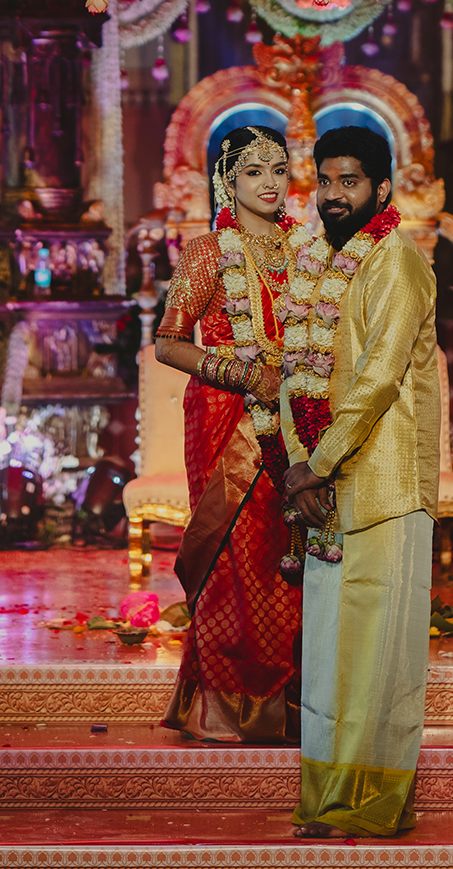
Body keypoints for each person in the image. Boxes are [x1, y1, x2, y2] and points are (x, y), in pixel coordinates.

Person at [280, 125, 439, 836]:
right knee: (325, 657)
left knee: (379, 659)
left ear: (381, 187)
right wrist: (300, 468)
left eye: (350, 182)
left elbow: (377, 379)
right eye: (326, 181)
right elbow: (298, 370)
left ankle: (376, 804)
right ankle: (325, 799)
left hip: (386, 486)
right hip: (323, 493)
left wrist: (314, 464)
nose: (335, 195)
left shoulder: (397, 263)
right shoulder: (314, 263)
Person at [155, 125, 300, 742]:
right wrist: (239, 373)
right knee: (235, 559)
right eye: (254, 172)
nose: (269, 183)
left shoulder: (308, 253)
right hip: (227, 421)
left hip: (299, 425)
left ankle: (290, 702)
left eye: (278, 169)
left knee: (287, 563)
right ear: (228, 181)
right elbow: (168, 341)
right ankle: (225, 706)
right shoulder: (207, 253)